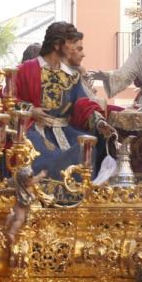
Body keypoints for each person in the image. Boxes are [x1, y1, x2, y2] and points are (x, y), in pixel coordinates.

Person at [15, 22, 116, 179]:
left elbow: (82, 104)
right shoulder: (26, 69)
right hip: (35, 130)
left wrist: (99, 121)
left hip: (64, 131)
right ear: (57, 44)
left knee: (88, 147)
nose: (73, 48)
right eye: (70, 43)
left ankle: (76, 198)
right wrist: (31, 110)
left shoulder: (71, 76)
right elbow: (6, 99)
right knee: (41, 154)